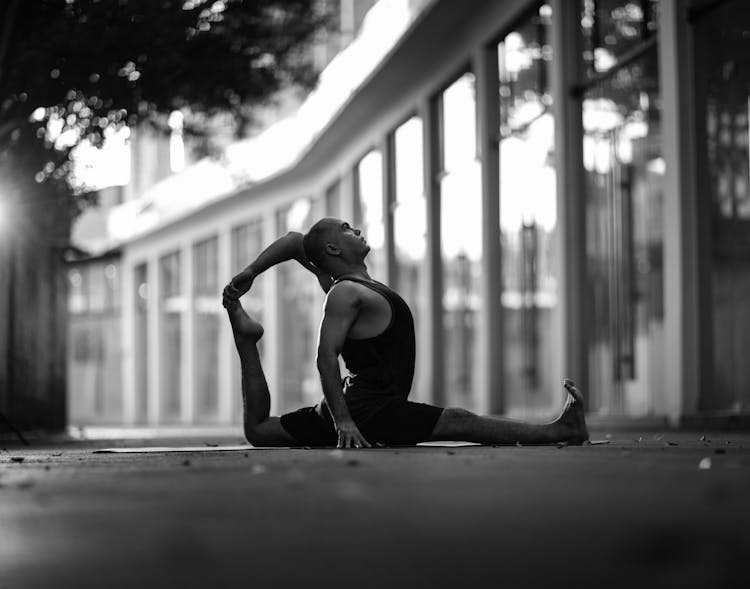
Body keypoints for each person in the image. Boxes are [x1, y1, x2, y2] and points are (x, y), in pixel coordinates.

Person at [222, 217, 589, 448]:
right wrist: (344, 422)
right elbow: (325, 357)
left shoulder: (347, 284)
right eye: (347, 229)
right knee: (459, 420)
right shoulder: (343, 292)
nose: (358, 230)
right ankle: (560, 432)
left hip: (364, 405)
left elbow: (291, 240)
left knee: (260, 431)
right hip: (368, 411)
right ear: (334, 247)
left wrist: (251, 272)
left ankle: (246, 340)